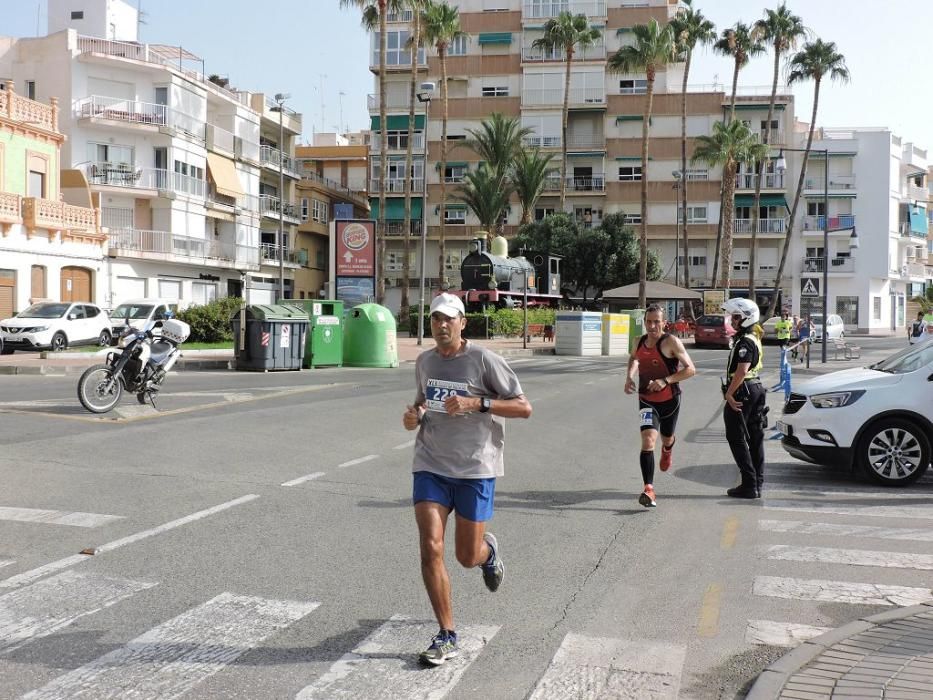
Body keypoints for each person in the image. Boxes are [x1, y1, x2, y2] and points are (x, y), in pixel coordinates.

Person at [402, 293, 532, 666]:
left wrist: (478, 403)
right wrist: (414, 416)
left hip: (475, 468)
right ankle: (447, 634)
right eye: (435, 319)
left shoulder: (484, 361)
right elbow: (423, 403)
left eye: (448, 319)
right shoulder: (425, 362)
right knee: (430, 546)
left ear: (463, 323)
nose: (441, 326)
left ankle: (487, 554)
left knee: (465, 556)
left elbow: (524, 407)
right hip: (430, 463)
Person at [624, 303, 696, 508]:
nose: (652, 326)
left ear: (664, 323)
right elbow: (634, 359)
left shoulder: (671, 342)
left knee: (666, 437)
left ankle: (668, 449)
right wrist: (629, 377)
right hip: (646, 399)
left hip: (670, 400)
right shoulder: (638, 341)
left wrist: (666, 380)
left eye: (657, 321)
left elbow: (690, 370)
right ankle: (649, 488)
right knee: (648, 440)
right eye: (648, 321)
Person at [721, 298, 768, 499]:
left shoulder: (746, 341)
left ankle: (749, 484)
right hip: (754, 388)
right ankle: (756, 482)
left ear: (748, 318)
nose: (732, 320)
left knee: (736, 437)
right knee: (755, 437)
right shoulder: (751, 337)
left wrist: (729, 394)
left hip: (744, 390)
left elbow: (741, 371)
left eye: (737, 317)